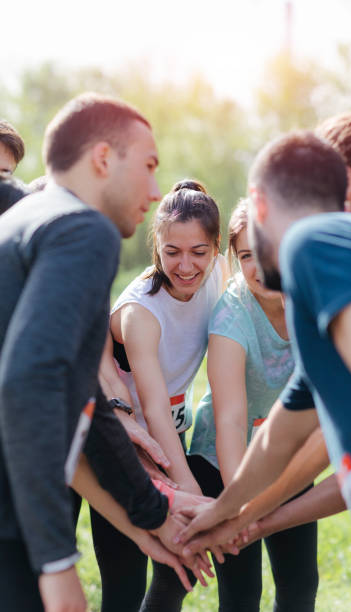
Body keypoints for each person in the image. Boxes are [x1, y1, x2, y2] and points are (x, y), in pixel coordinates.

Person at [179, 122, 351, 612]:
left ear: (258, 206)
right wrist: (227, 513)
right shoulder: (328, 285)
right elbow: (282, 434)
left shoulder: (314, 241)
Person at [0, 92, 200, 612]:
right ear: (103, 159)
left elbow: (84, 407)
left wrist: (148, 515)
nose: (157, 191)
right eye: (149, 167)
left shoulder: (27, 221)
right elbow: (29, 384)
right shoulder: (81, 229)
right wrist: (56, 561)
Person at [95, 179, 228, 611]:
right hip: (122, 438)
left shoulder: (219, 275)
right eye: (172, 252)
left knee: (175, 567)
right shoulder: (141, 313)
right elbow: (151, 407)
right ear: (157, 244)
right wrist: (188, 489)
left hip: (173, 432)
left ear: (216, 247)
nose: (186, 265)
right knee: (125, 576)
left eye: (198, 252)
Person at [187, 197, 319, 611]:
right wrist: (241, 507)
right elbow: (230, 419)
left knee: (300, 586)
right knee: (243, 595)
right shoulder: (232, 315)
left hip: (286, 460)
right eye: (246, 256)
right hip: (226, 464)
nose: (259, 267)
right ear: (234, 257)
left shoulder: (313, 304)